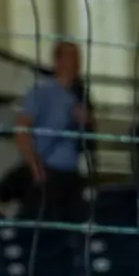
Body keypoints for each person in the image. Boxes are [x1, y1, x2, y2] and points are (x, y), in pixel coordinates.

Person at [14, 40, 91, 222]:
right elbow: (22, 129)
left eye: (77, 58)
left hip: (71, 171)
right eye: (70, 57)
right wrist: (34, 167)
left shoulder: (80, 93)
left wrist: (87, 118)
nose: (75, 63)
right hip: (47, 170)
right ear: (58, 61)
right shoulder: (42, 91)